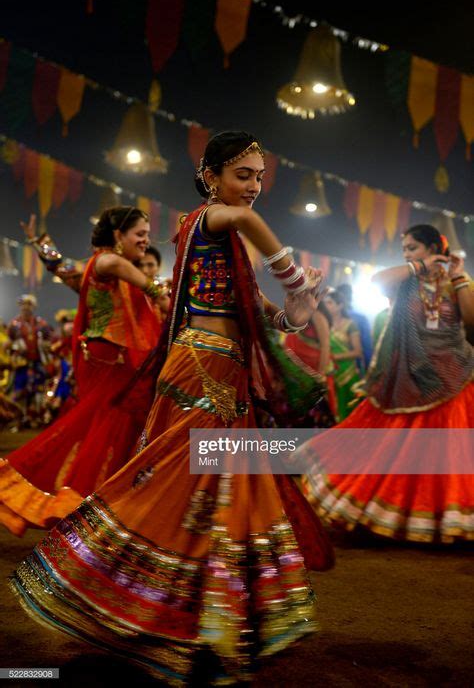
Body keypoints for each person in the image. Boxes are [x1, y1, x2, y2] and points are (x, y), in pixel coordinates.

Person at [11, 131, 334, 685]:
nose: (254, 187)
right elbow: (249, 228)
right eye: (243, 175)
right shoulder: (211, 219)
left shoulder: (224, 240)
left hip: (221, 369)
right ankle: (119, 593)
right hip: (200, 367)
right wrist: (293, 273)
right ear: (210, 176)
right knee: (180, 484)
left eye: (260, 177)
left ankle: (208, 617)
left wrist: (296, 310)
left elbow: (259, 312)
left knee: (219, 490)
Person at [302, 224, 474, 543]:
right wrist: (421, 264)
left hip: (454, 377)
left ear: (435, 246)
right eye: (405, 250)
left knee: (450, 453)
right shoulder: (403, 282)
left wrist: (460, 276)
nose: (407, 254)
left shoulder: (457, 281)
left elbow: (472, 319)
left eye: (413, 248)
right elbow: (376, 280)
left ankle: (447, 522)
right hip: (407, 377)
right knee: (392, 446)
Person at [0, 206, 163, 536]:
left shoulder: (133, 284)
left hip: (142, 369)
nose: (145, 244)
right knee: (101, 433)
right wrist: (40, 244)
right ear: (118, 236)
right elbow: (74, 268)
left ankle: (116, 508)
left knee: (112, 436)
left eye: (148, 237)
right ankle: (93, 508)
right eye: (140, 235)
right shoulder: (110, 269)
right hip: (118, 367)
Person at [283, 300, 337, 424]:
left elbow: (325, 346)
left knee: (318, 410)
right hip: (298, 369)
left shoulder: (316, 315)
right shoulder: (298, 313)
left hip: (314, 368)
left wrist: (320, 375)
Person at [7, 294, 53, 428]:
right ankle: (19, 419)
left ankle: (36, 417)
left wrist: (46, 345)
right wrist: (10, 346)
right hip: (21, 363)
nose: (26, 308)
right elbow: (8, 341)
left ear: (33, 307)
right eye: (23, 305)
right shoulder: (14, 325)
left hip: (38, 362)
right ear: (20, 307)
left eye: (29, 305)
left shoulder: (41, 324)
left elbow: (49, 339)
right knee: (19, 391)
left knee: (38, 390)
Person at [325, 290, 362, 421]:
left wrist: (333, 358)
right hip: (330, 374)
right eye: (326, 303)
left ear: (340, 306)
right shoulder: (323, 325)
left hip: (348, 375)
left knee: (350, 414)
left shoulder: (350, 325)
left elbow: (358, 352)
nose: (326, 306)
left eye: (330, 303)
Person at [336, 283, 372, 373]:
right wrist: (368, 369)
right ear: (351, 297)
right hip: (354, 369)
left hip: (332, 368)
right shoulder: (361, 318)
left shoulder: (328, 317)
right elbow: (367, 347)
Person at [136, 245, 171, 319]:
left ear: (158, 266)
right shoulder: (128, 291)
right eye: (140, 265)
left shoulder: (168, 291)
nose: (145, 270)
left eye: (150, 265)